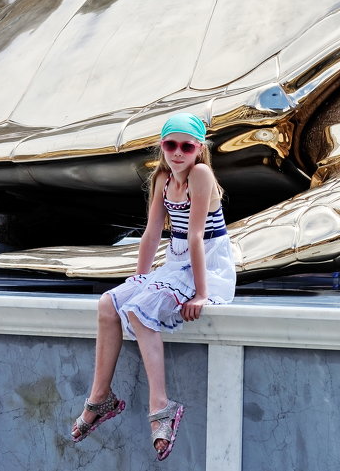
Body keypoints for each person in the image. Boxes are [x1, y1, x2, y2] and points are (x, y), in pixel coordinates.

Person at [70, 113, 236, 460]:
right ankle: (100, 398)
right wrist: (140, 277)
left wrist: (202, 293)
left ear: (198, 149)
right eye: (170, 144)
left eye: (186, 146)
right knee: (108, 302)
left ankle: (161, 407)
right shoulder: (162, 177)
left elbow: (195, 236)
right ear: (161, 147)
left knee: (140, 312)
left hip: (207, 263)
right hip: (177, 261)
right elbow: (150, 234)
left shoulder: (200, 175)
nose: (178, 152)